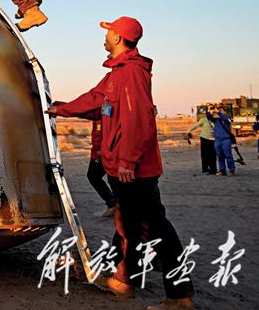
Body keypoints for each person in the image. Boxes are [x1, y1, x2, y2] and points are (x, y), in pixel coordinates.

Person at [46, 16, 194, 310]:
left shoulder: (132, 74)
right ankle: (123, 280)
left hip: (134, 169)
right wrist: (61, 110)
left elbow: (139, 119)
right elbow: (95, 101)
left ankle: (180, 297)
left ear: (118, 38)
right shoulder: (116, 74)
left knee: (155, 227)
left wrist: (128, 160)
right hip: (120, 167)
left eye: (109, 31)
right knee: (127, 224)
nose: (105, 35)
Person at [86, 118, 117, 217]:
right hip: (107, 151)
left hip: (102, 153)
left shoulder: (103, 110)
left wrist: (99, 148)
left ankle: (113, 204)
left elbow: (98, 132)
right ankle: (115, 204)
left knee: (93, 176)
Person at [207, 105, 235, 176]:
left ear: (224, 111)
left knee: (228, 155)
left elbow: (225, 119)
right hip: (218, 140)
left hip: (226, 140)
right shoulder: (216, 120)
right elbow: (209, 117)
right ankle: (222, 171)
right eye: (219, 110)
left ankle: (231, 170)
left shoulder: (228, 119)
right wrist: (208, 110)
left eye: (221, 110)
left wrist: (218, 112)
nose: (219, 111)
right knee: (220, 156)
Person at [188, 110, 216, 174]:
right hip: (204, 138)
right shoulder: (203, 120)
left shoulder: (216, 120)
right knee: (204, 154)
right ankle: (205, 168)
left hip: (213, 139)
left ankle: (213, 169)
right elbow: (196, 125)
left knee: (213, 155)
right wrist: (189, 130)